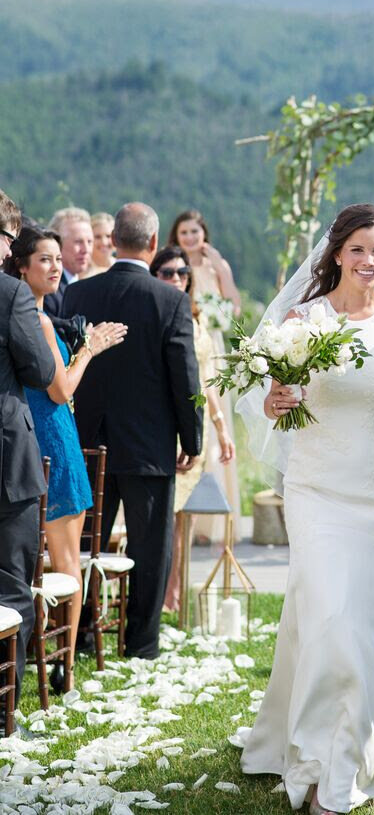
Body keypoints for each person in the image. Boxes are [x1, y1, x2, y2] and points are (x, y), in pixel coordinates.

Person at [239, 204, 374, 815]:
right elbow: (265, 397)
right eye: (359, 249)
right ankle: (320, 766)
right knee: (332, 618)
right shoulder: (300, 319)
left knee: (365, 624)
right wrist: (276, 398)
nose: (369, 260)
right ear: (335, 253)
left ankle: (373, 743)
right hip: (315, 489)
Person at [63, 203, 203, 659]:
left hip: (88, 440)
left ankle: (80, 633)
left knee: (86, 546)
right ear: (153, 242)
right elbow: (185, 378)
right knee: (150, 547)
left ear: (114, 240)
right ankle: (141, 641)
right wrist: (192, 440)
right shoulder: (171, 300)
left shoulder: (79, 295)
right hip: (149, 443)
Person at [4, 226, 127, 686]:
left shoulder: (33, 316)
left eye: (59, 259)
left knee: (55, 560)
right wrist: (89, 350)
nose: (56, 267)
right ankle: (64, 668)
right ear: (21, 267)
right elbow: (62, 388)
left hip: (44, 440)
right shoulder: (32, 318)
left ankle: (57, 659)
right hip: (53, 440)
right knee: (66, 561)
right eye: (46, 260)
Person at [149, 244, 235, 612]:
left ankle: (176, 592)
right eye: (166, 272)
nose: (175, 279)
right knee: (163, 519)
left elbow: (206, 379)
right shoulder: (151, 312)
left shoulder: (195, 318)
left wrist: (220, 427)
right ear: (154, 275)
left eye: (181, 273)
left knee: (185, 519)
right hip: (160, 426)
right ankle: (153, 592)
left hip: (194, 425)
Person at [0, 193, 55, 726]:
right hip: (5, 459)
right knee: (11, 582)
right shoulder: (12, 293)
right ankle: (3, 707)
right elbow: (40, 370)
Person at [168, 208, 242, 543]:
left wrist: (222, 270)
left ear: (203, 234)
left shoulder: (215, 265)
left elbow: (234, 306)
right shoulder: (173, 269)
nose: (189, 238)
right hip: (183, 343)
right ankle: (185, 513)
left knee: (215, 424)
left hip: (210, 345)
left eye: (194, 232)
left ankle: (213, 520)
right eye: (184, 233)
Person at [43, 207, 94, 316]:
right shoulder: (48, 289)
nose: (86, 250)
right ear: (56, 244)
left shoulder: (85, 285)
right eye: (78, 242)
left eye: (89, 242)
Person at [85, 211, 116, 276]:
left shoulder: (120, 266)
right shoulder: (81, 270)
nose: (104, 242)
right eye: (97, 237)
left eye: (108, 236)